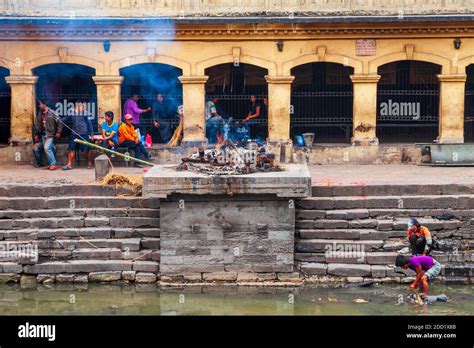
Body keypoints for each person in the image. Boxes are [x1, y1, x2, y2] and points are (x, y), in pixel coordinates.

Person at [62, 102, 95, 170]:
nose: (82, 108)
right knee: (71, 149)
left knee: (88, 149)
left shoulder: (85, 114)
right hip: (74, 134)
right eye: (81, 107)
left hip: (84, 134)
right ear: (77, 107)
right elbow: (65, 119)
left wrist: (92, 134)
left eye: (82, 107)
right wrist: (58, 119)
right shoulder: (72, 113)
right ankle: (69, 165)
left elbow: (89, 124)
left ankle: (89, 162)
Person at [33, 100, 63, 170]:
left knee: (46, 148)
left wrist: (58, 132)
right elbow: (37, 125)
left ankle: (53, 164)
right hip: (43, 135)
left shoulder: (52, 112)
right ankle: (41, 163)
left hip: (50, 135)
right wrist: (36, 134)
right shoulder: (40, 114)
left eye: (40, 104)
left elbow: (60, 122)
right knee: (36, 148)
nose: (39, 106)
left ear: (44, 104)